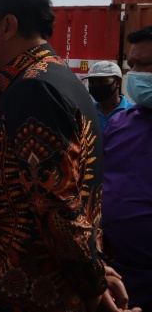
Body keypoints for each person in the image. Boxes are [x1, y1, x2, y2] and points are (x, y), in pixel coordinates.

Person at [0, 0, 137, 312]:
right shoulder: (58, 78)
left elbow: (59, 206)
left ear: (7, 26)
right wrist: (96, 271)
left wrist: (93, 287)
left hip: (27, 293)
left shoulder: (33, 90)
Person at [102, 25, 152, 311]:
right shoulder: (121, 124)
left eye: (145, 65)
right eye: (132, 65)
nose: (135, 75)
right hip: (119, 274)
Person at [83, 61, 133, 132]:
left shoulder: (133, 112)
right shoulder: (86, 112)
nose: (96, 86)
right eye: (92, 82)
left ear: (118, 82)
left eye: (102, 81)